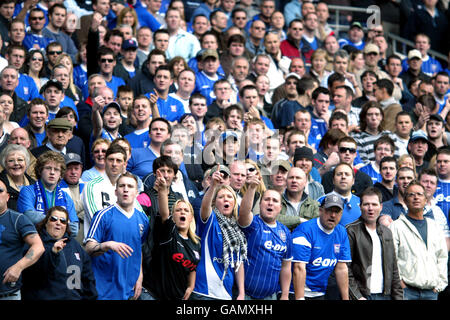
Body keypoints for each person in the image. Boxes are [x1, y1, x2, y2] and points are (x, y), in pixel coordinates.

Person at [85, 172, 150, 300]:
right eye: (122, 186)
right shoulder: (102, 216)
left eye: (130, 186)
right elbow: (88, 249)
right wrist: (107, 245)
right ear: (115, 191)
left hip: (129, 288)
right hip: (104, 289)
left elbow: (139, 249)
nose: (126, 189)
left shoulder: (143, 219)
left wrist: (139, 276)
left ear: (137, 193)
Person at [141, 171, 201, 300]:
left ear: (191, 217)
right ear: (173, 216)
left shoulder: (196, 243)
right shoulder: (168, 233)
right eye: (178, 210)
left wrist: (191, 286)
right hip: (154, 294)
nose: (182, 212)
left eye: (186, 210)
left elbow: (192, 268)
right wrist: (163, 191)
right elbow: (163, 214)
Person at [191, 165, 246, 300]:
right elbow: (205, 206)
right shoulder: (210, 220)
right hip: (204, 291)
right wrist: (213, 187)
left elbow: (238, 262)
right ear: (215, 202)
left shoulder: (236, 229)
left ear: (234, 203)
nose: (226, 199)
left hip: (226, 292)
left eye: (229, 197)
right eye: (221, 197)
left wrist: (241, 292)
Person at [21, 206, 97, 300]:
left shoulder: (75, 245)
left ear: (66, 226)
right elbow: (30, 274)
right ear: (46, 222)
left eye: (63, 221)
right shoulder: (35, 243)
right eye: (53, 219)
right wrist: (52, 253)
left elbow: (88, 278)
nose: (58, 223)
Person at [390, 181, 448, 300]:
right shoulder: (396, 226)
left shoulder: (435, 226)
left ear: (426, 200)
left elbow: (442, 256)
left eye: (419, 194)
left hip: (431, 291)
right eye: (411, 195)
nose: (416, 197)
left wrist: (440, 284)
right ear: (405, 201)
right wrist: (401, 284)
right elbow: (391, 258)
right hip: (407, 291)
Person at [238, 175, 292, 300]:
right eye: (267, 199)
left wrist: (285, 294)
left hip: (270, 296)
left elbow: (286, 266)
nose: (270, 203)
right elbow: (244, 213)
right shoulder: (253, 224)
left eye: (275, 201)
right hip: (245, 295)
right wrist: (251, 188)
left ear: (280, 208)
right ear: (261, 203)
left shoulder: (285, 233)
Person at [346, 187, 403, 300]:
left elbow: (394, 269)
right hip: (363, 295)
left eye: (374, 204)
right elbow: (345, 268)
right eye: (366, 204)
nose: (370, 208)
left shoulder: (387, 232)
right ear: (360, 207)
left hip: (385, 295)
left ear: (381, 207)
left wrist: (398, 297)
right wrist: (357, 296)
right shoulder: (351, 231)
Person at [291, 193, 351, 300]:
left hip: (319, 292)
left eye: (336, 211)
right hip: (294, 290)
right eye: (329, 210)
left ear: (341, 214)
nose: (333, 215)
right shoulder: (305, 230)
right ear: (320, 211)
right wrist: (299, 298)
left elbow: (341, 268)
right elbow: (299, 268)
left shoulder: (341, 232)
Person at [0, 178, 44, 300]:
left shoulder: (18, 219)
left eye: (0, 191)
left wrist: (18, 267)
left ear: (7, 197)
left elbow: (38, 246)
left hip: (8, 293)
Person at [17, 151, 78, 236]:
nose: (52, 172)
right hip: (34, 241)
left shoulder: (65, 196)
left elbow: (74, 229)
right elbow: (29, 216)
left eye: (56, 169)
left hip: (60, 244)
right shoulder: (27, 191)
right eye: (48, 168)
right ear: (40, 171)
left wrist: (46, 219)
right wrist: (62, 221)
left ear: (61, 175)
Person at [0, 144, 36, 212]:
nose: (16, 163)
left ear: (26, 163)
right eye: (11, 160)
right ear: (4, 164)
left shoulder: (34, 185)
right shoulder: (1, 184)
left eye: (20, 160)